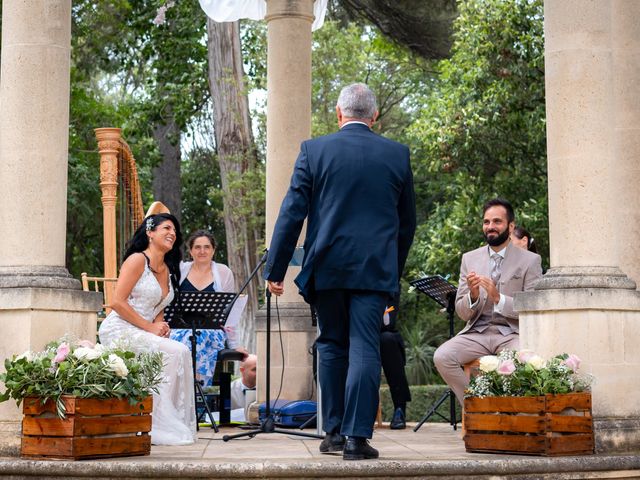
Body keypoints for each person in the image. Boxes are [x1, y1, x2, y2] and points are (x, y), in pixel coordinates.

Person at [264, 83, 416, 460]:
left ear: (338, 113)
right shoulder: (397, 155)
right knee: (365, 347)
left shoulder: (314, 151)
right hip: (373, 270)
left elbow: (291, 213)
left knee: (331, 344)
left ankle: (332, 434)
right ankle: (355, 439)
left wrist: (276, 268)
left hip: (328, 267)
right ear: (374, 116)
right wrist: (391, 272)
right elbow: (407, 224)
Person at [98, 205, 197, 445]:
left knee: (176, 352)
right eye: (166, 228)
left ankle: (158, 419)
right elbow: (117, 303)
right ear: (150, 233)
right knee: (179, 350)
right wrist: (150, 327)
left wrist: (160, 326)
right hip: (119, 328)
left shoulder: (168, 269)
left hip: (143, 328)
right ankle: (154, 420)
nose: (172, 232)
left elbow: (159, 307)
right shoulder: (136, 260)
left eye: (175, 229)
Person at [433, 198, 543, 407]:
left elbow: (533, 310)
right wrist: (473, 296)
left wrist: (497, 298)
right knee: (442, 356)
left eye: (497, 221)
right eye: (486, 222)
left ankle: (512, 416)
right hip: (477, 333)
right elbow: (462, 313)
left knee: (527, 362)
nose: (490, 227)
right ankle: (477, 409)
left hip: (512, 334)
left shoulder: (530, 261)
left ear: (510, 226)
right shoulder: (469, 259)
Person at [170, 230, 248, 387]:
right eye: (197, 247)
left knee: (197, 338)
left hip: (212, 332)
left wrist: (234, 344)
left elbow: (230, 313)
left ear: (213, 250)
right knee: (184, 339)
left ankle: (198, 390)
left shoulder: (223, 272)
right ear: (190, 251)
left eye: (206, 247)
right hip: (181, 329)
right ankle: (182, 387)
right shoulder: (180, 270)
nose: (202, 251)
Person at [380, 293, 411, 430]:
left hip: (381, 331)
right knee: (321, 346)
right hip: (354, 334)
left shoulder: (390, 286)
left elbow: (388, 322)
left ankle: (399, 407)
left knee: (388, 340)